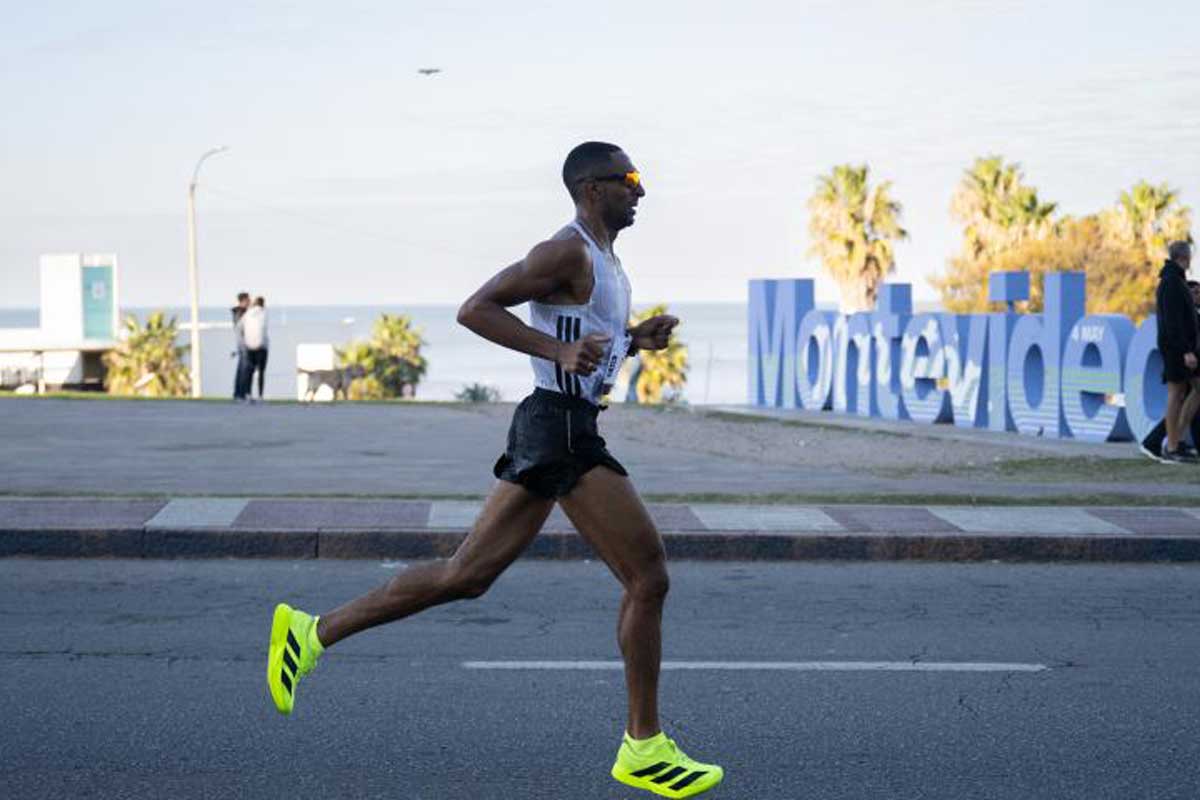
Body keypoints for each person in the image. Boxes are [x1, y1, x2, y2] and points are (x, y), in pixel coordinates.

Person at [265, 142, 724, 797]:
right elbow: (476, 308)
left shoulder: (606, 262)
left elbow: (587, 345)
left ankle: (310, 634)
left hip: (563, 424)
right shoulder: (564, 251)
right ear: (592, 188)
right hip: (560, 428)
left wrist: (635, 339)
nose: (641, 191)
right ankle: (644, 747)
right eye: (630, 180)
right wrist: (556, 348)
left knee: (466, 575)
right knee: (647, 576)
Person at [1149, 241, 1200, 463]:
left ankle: (1175, 440)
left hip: (1181, 348)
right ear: (1185, 257)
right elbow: (1173, 322)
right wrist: (1186, 350)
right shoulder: (1171, 282)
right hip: (1176, 349)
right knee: (1176, 394)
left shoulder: (1175, 279)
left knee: (1188, 391)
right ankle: (1171, 446)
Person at [240, 296, 269, 402]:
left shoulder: (247, 313)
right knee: (261, 372)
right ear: (263, 304)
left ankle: (248, 394)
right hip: (262, 347)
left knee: (250, 371)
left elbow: (241, 327)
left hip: (249, 347)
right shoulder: (264, 313)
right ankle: (260, 396)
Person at [231, 292, 251, 401]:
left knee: (242, 369)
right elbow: (242, 330)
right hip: (243, 345)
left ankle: (239, 393)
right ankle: (240, 394)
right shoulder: (240, 313)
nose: (250, 302)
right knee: (243, 370)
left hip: (242, 344)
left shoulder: (239, 313)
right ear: (243, 301)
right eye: (248, 300)